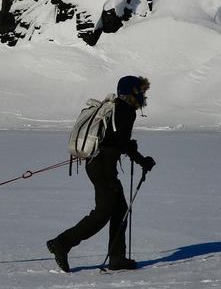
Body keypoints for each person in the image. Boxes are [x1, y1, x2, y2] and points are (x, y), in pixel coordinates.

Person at [47, 75, 156, 272]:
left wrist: (130, 148)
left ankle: (117, 258)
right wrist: (141, 159)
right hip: (103, 166)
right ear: (130, 91)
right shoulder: (126, 110)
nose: (143, 95)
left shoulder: (115, 107)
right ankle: (62, 243)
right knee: (102, 213)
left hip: (98, 164)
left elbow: (115, 140)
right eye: (140, 90)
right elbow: (121, 143)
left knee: (120, 209)